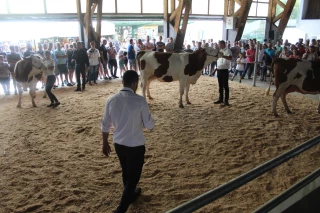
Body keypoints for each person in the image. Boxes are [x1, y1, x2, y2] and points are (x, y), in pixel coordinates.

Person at [101, 70, 155, 213]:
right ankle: (121, 209)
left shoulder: (111, 100)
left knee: (126, 170)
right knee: (134, 177)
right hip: (135, 145)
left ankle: (130, 194)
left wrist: (104, 143)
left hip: (118, 144)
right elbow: (149, 126)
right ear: (134, 83)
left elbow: (105, 124)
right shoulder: (140, 101)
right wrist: (149, 120)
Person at [213, 40, 232, 106]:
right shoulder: (219, 51)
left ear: (223, 44)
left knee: (225, 86)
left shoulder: (228, 50)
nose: (219, 45)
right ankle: (220, 99)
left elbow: (230, 57)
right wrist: (215, 70)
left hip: (224, 70)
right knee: (220, 85)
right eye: (219, 44)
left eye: (220, 44)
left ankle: (226, 101)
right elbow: (218, 61)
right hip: (219, 69)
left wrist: (223, 56)